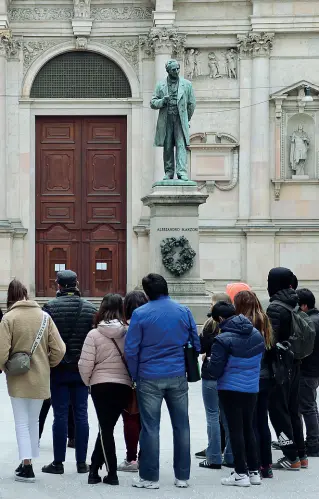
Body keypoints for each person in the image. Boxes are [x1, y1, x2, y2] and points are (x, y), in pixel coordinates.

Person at [125, 273, 200, 489]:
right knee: (182, 425)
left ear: (147, 292)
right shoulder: (183, 311)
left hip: (149, 375)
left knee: (150, 427)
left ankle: (149, 477)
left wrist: (134, 374)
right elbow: (195, 343)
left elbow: (131, 349)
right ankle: (182, 476)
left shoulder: (140, 313)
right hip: (177, 374)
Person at [0, 279, 65, 483]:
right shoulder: (45, 317)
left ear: (10, 296)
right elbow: (60, 349)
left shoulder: (8, 318)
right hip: (41, 377)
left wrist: (5, 367)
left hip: (18, 378)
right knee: (33, 421)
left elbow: (1, 351)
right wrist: (48, 364)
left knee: (21, 422)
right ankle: (28, 462)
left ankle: (27, 466)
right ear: (27, 294)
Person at [41, 270, 96, 475]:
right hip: (81, 370)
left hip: (58, 369)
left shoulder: (49, 308)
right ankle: (82, 463)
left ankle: (58, 463)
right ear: (77, 283)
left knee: (60, 416)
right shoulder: (90, 308)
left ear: (58, 285)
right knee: (82, 415)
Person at [208, 301, 265, 487]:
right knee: (248, 428)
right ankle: (254, 471)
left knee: (236, 430)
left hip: (230, 389)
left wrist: (207, 361)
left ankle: (241, 473)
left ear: (221, 319)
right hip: (251, 388)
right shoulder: (257, 334)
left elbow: (215, 371)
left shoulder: (222, 340)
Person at [79, 294, 132, 486]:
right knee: (106, 427)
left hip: (100, 385)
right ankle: (94, 470)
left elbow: (85, 364)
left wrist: (89, 382)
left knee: (105, 428)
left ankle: (111, 472)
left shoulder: (93, 334)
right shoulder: (128, 332)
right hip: (123, 384)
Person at [267, 267, 308, 470]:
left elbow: (270, 340)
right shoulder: (295, 302)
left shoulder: (275, 307)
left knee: (278, 411)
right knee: (293, 410)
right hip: (295, 363)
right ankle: (301, 455)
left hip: (280, 366)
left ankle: (290, 457)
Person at [234, 291, 274, 478]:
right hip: (265, 375)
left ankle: (254, 463)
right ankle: (267, 465)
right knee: (262, 421)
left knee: (249, 423)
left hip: (249, 376)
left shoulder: (241, 322)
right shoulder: (264, 318)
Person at [196, 292, 233, 469]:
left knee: (212, 415)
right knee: (227, 416)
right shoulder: (236, 325)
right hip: (228, 374)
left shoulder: (209, 325)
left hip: (210, 375)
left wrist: (206, 355)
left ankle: (214, 456)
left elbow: (200, 347)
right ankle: (231, 456)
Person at [117, 291, 148, 473]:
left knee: (130, 416)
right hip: (150, 375)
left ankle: (132, 458)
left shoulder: (124, 329)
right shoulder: (152, 326)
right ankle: (146, 456)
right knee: (147, 419)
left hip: (129, 377)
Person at [150, 59, 196, 181]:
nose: (176, 71)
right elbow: (153, 103)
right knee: (168, 145)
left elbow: (191, 104)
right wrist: (162, 101)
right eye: (173, 70)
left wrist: (186, 118)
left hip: (180, 119)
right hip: (166, 119)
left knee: (181, 145)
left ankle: (181, 172)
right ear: (168, 71)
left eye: (177, 69)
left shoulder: (187, 84)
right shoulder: (160, 85)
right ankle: (169, 172)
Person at [296, 288, 319, 456]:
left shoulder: (309, 322)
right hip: (314, 369)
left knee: (308, 407)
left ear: (304, 306)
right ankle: (314, 440)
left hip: (308, 369)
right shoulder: (315, 318)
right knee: (310, 405)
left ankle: (313, 443)